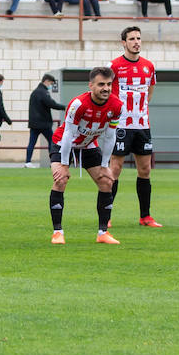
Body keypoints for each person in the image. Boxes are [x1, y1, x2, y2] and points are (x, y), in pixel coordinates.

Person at [48, 66, 124, 245]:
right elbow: (67, 134)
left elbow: (110, 135)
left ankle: (102, 233)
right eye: (101, 84)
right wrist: (64, 164)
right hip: (63, 143)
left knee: (106, 181)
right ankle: (57, 232)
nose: (105, 88)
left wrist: (105, 164)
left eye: (108, 84)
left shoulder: (116, 106)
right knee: (61, 179)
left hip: (88, 145)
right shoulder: (78, 104)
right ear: (91, 85)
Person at [105, 27, 164, 229]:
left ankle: (145, 217)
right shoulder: (113, 66)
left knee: (145, 169)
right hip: (121, 125)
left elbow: (151, 88)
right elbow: (104, 90)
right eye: (132, 39)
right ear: (124, 42)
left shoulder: (149, 66)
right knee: (115, 169)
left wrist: (142, 107)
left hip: (142, 125)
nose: (136, 42)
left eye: (139, 38)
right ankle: (107, 215)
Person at [25, 74, 66, 167]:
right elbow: (51, 104)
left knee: (32, 142)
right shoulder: (43, 92)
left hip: (34, 123)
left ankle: (27, 162)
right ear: (46, 81)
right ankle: (53, 162)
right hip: (43, 123)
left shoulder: (35, 92)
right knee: (52, 142)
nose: (50, 86)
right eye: (51, 83)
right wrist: (64, 107)